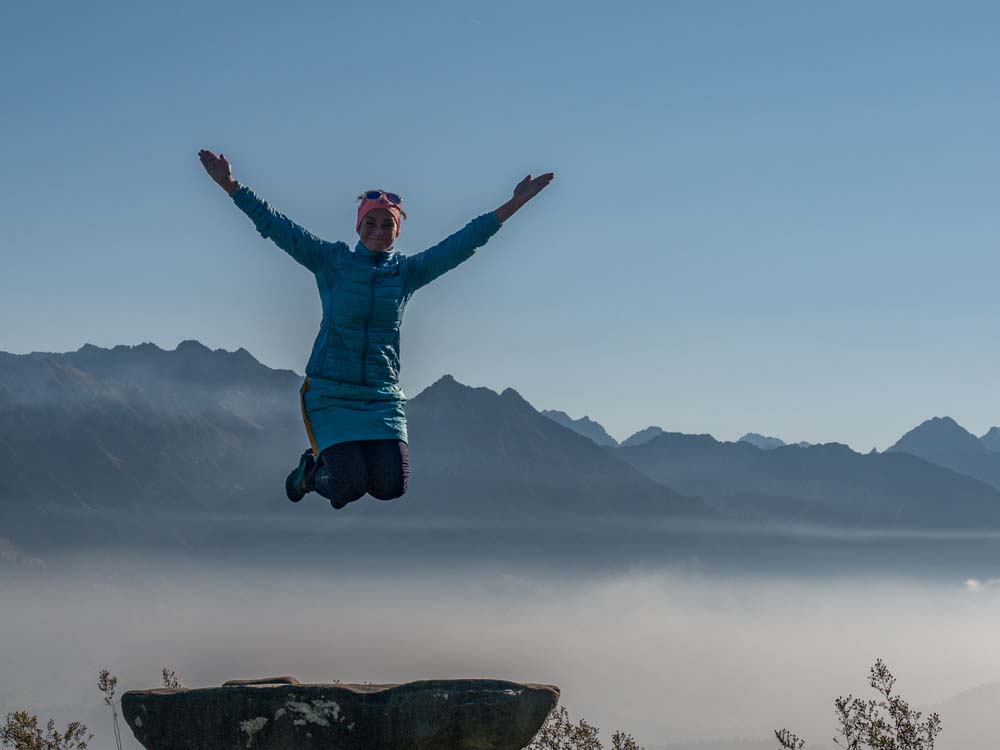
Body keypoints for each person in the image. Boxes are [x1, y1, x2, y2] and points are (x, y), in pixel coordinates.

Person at [198, 149, 554, 509]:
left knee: (391, 485)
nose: (379, 231)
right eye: (371, 223)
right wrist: (231, 185)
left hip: (382, 394)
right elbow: (276, 226)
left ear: (398, 230)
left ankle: (335, 467)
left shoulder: (407, 274)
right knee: (347, 486)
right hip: (331, 391)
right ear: (358, 226)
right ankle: (310, 472)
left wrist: (514, 205)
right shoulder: (331, 262)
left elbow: (464, 243)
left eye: (388, 224)